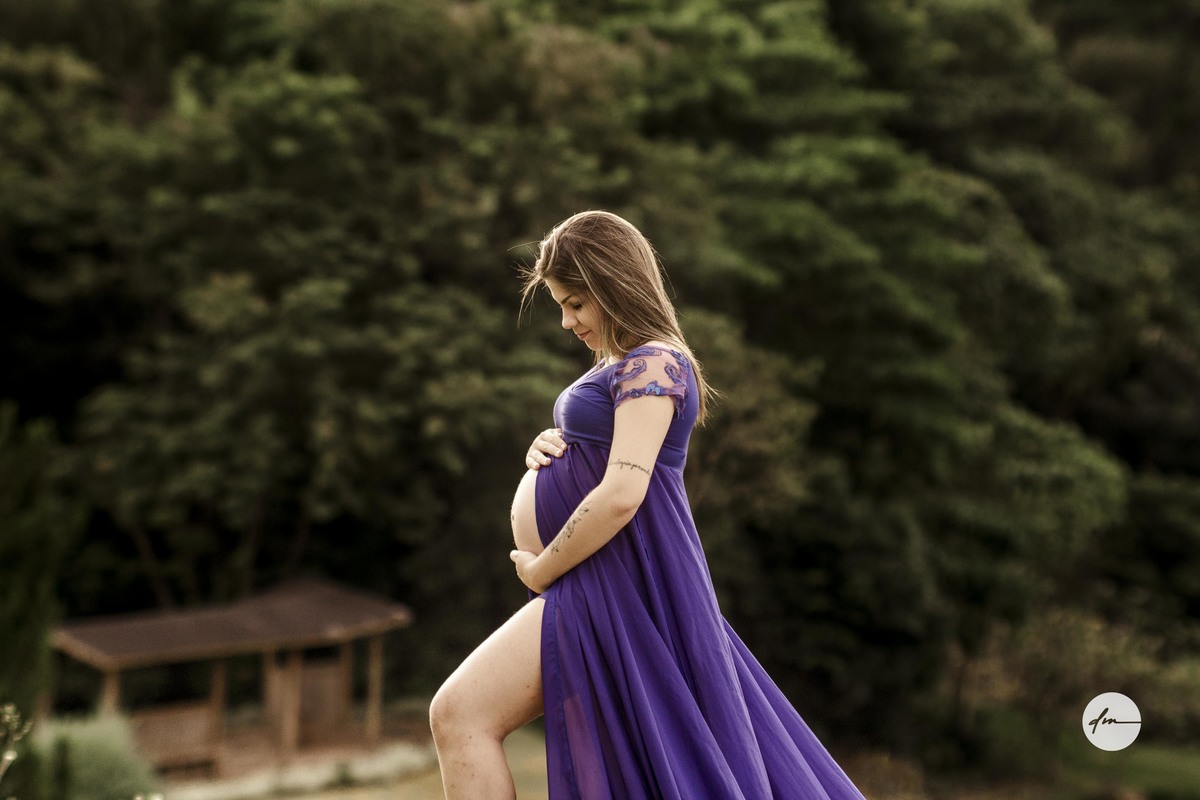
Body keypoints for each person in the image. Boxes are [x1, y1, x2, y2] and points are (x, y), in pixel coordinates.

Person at [429, 210, 867, 799]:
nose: (567, 321)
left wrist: (542, 569)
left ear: (613, 283)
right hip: (597, 583)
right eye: (561, 305)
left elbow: (622, 493)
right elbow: (611, 454)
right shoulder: (625, 366)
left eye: (576, 303)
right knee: (468, 717)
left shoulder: (653, 362)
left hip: (616, 585)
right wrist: (552, 448)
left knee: (459, 713)